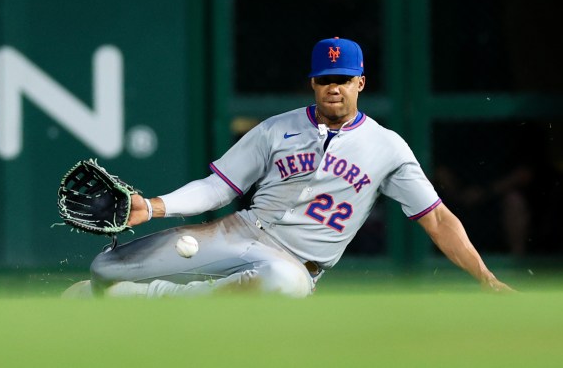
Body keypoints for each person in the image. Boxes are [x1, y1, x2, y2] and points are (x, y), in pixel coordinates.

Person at [63, 37, 512, 298]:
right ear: (313, 82)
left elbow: (435, 217)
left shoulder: (387, 147)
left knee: (285, 285)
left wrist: (485, 278)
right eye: (325, 79)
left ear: (361, 82)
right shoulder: (276, 129)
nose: (333, 88)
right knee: (104, 271)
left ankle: (149, 302)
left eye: (342, 79)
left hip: (298, 262)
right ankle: (111, 295)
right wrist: (152, 206)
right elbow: (217, 188)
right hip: (239, 231)